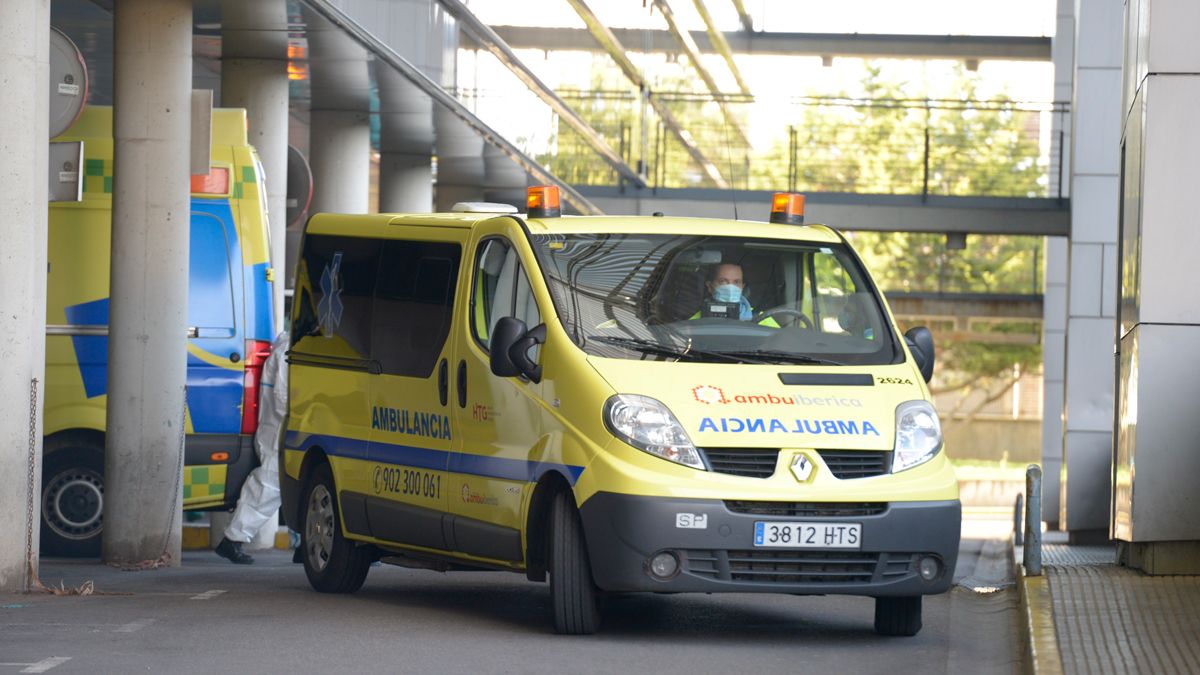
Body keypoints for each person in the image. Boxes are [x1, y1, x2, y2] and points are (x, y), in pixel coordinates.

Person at [214, 330, 289, 564]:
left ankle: (304, 548)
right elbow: (283, 398)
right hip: (280, 430)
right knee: (269, 485)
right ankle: (232, 539)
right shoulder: (289, 350)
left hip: (279, 428)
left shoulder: (287, 346)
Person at [690, 262, 779, 326]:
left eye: (736, 282)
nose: (730, 287)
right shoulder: (696, 321)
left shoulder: (761, 318)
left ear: (742, 287)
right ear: (709, 286)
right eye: (723, 281)